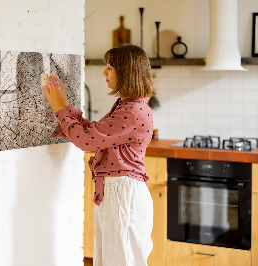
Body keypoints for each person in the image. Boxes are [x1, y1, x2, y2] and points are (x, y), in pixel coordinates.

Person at [43, 44, 155, 266]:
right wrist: (64, 103)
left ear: (126, 72)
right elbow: (94, 133)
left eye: (110, 67)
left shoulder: (132, 111)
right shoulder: (128, 106)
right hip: (118, 193)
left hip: (123, 195)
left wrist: (58, 107)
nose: (104, 72)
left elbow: (86, 141)